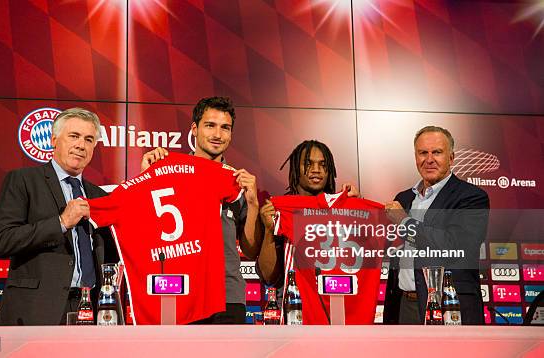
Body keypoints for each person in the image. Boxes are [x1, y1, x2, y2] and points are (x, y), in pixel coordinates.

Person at [140, 96, 261, 324]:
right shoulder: (169, 172)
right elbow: (145, 230)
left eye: (225, 128)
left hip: (228, 296)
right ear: (194, 129)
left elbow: (251, 250)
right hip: (181, 291)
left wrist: (253, 204)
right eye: (210, 125)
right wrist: (148, 177)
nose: (217, 134)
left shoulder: (237, 181)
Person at [0, 107, 114, 325]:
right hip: (35, 311)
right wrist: (61, 223)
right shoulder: (23, 180)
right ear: (54, 140)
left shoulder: (99, 196)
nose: (81, 145)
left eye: (88, 139)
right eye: (74, 136)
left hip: (90, 310)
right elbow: (3, 241)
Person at [383, 126, 490, 325]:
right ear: (415, 157)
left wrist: (405, 222)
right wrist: (355, 202)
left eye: (437, 152)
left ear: (451, 158)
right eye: (423, 152)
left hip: (448, 305)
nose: (429, 159)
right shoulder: (404, 198)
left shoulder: (472, 197)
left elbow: (456, 245)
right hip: (405, 306)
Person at [257, 140, 358, 286]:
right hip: (296, 303)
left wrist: (357, 206)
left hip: (335, 301)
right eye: (308, 163)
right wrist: (268, 231)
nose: (316, 169)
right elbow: (269, 277)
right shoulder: (279, 211)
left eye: (323, 165)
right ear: (295, 168)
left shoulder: (342, 210)